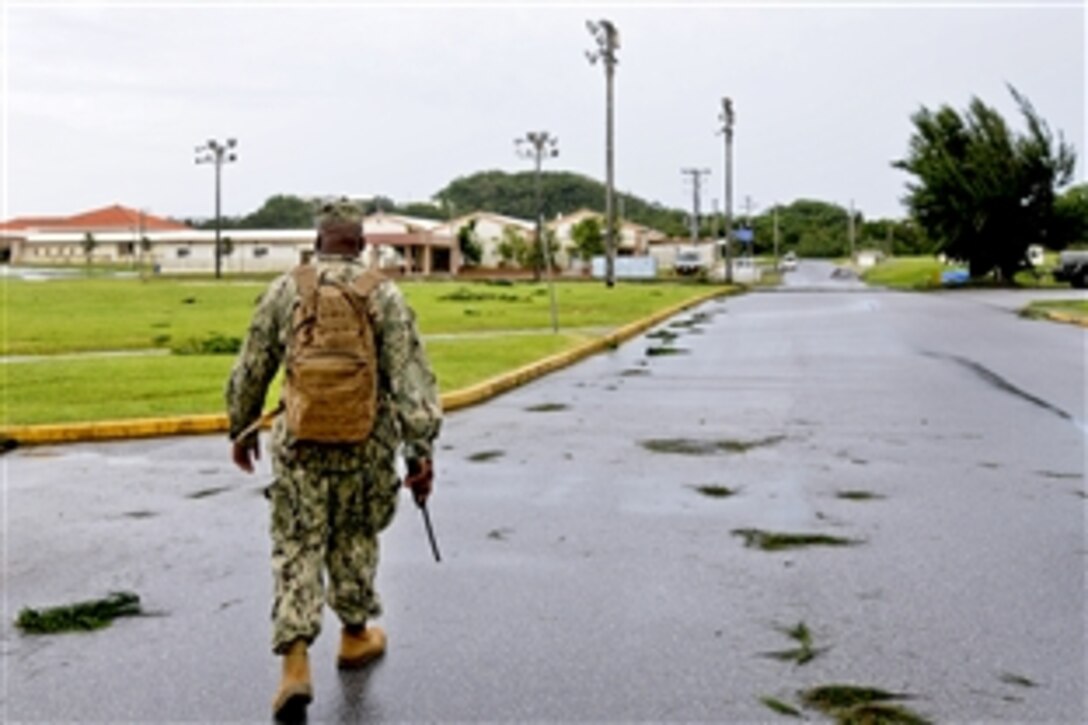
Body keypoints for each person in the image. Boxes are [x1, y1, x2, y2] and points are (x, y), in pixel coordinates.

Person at [225, 199, 442, 720]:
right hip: (364, 445)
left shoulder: (286, 290)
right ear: (362, 244)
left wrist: (243, 426)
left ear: (317, 241)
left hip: (300, 445)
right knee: (354, 536)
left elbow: (252, 364)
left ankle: (295, 665)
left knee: (297, 543)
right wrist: (420, 452)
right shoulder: (382, 294)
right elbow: (411, 380)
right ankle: (354, 636)